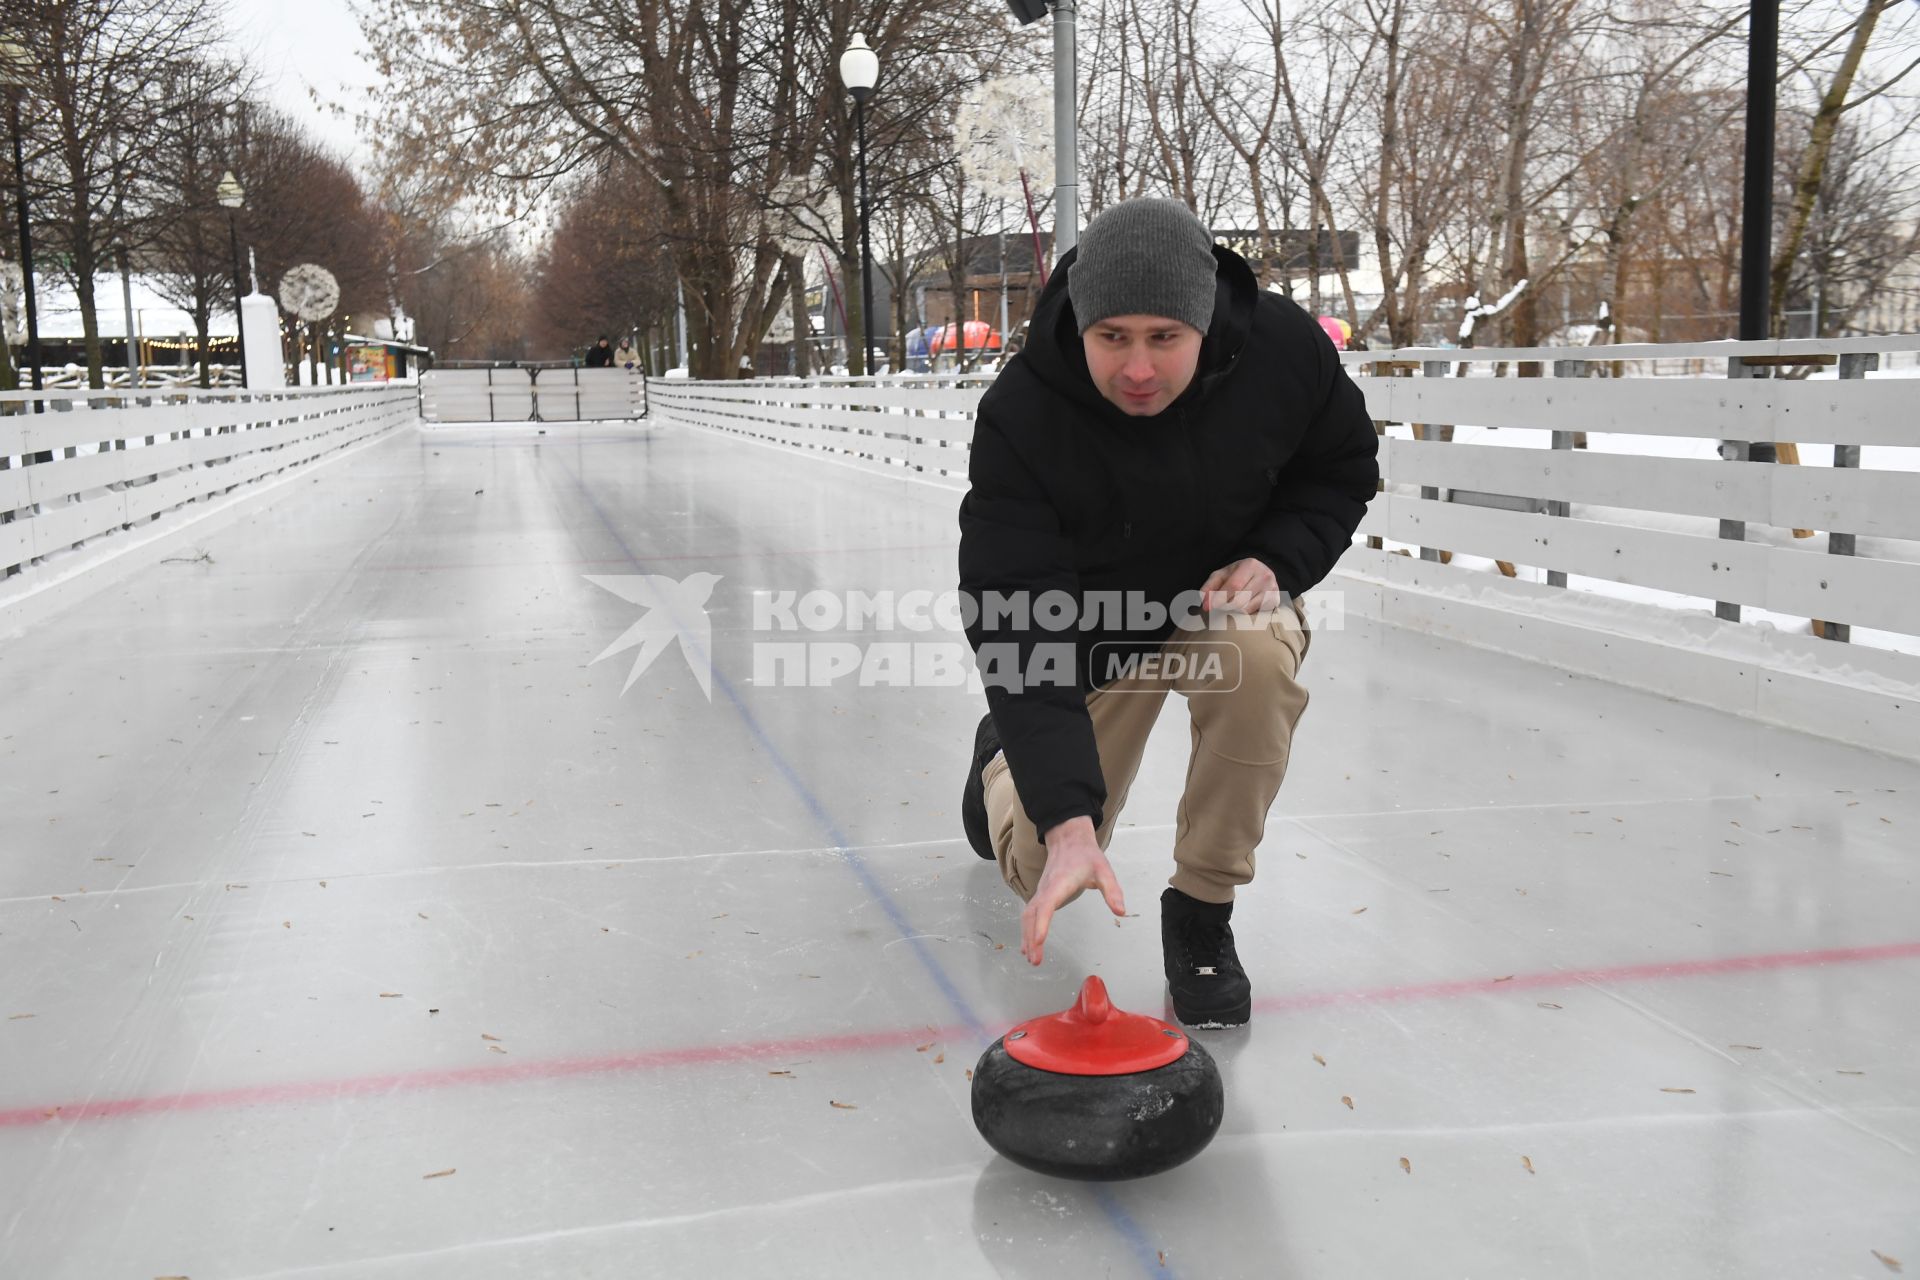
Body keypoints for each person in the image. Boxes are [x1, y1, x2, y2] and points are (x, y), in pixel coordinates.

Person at [956, 197, 1378, 1027]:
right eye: (1112, 338)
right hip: (1093, 635)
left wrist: (1277, 559)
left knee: (1255, 660)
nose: (1138, 369)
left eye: (1163, 339)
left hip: (1219, 600)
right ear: (1080, 322)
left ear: (1204, 321)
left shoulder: (1285, 353)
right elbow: (1015, 611)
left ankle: (1203, 911)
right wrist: (1070, 820)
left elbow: (1340, 469)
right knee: (1042, 856)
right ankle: (1004, 761)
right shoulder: (1025, 413)